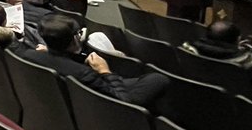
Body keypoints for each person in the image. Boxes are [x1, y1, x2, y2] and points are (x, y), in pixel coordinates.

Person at [15, 15, 169, 108]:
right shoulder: (85, 73)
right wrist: (104, 71)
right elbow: (125, 103)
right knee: (158, 79)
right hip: (101, 103)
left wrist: (49, 53)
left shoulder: (29, 54)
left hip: (60, 99)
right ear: (75, 38)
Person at [180, 20, 252, 69]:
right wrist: (236, 50)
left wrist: (235, 49)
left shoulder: (190, 51)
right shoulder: (244, 62)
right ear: (236, 40)